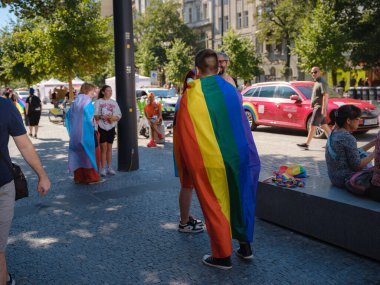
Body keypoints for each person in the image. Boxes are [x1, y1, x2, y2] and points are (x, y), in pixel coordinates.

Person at [174, 49, 261, 269]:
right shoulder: (231, 90)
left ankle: (222, 256)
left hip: (209, 158)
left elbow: (184, 133)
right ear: (217, 67)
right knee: (240, 199)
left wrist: (185, 165)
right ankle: (245, 246)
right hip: (239, 155)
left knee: (215, 203)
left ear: (197, 68)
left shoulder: (191, 95)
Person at [0, 97, 50, 285]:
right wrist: (42, 176)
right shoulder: (4, 106)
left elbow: (25, 145)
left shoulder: (5, 106)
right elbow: (24, 145)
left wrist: (42, 175)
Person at [175, 69, 205, 233]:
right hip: (190, 149)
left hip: (187, 148)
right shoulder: (188, 99)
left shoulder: (185, 98)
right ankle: (184, 222)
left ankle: (186, 217)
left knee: (188, 186)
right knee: (187, 185)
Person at [326, 105, 376, 192]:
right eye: (357, 119)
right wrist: (375, 154)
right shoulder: (347, 137)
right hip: (346, 179)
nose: (359, 121)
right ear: (348, 120)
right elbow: (357, 166)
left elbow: (353, 152)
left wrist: (374, 142)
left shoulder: (334, 133)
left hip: (335, 178)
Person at [65, 83, 102, 184]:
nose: (93, 95)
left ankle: (79, 177)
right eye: (92, 92)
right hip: (87, 134)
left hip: (75, 135)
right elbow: (90, 119)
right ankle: (91, 178)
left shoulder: (75, 101)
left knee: (78, 155)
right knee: (90, 155)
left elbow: (68, 116)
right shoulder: (87, 102)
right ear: (87, 92)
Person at [297, 67, 331, 150]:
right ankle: (332, 144)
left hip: (319, 107)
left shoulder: (322, 82)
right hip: (317, 107)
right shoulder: (317, 82)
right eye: (311, 72)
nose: (313, 74)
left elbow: (325, 95)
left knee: (312, 125)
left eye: (315, 72)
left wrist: (323, 108)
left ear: (319, 72)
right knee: (324, 126)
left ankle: (306, 144)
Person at [94, 85, 122, 177]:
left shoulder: (114, 103)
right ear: (103, 92)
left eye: (111, 91)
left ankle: (110, 167)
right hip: (102, 127)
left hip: (111, 127)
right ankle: (103, 168)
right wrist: (102, 117)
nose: (110, 92)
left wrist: (114, 118)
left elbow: (119, 115)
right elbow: (94, 115)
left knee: (110, 148)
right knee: (103, 148)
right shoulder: (98, 102)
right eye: (108, 91)